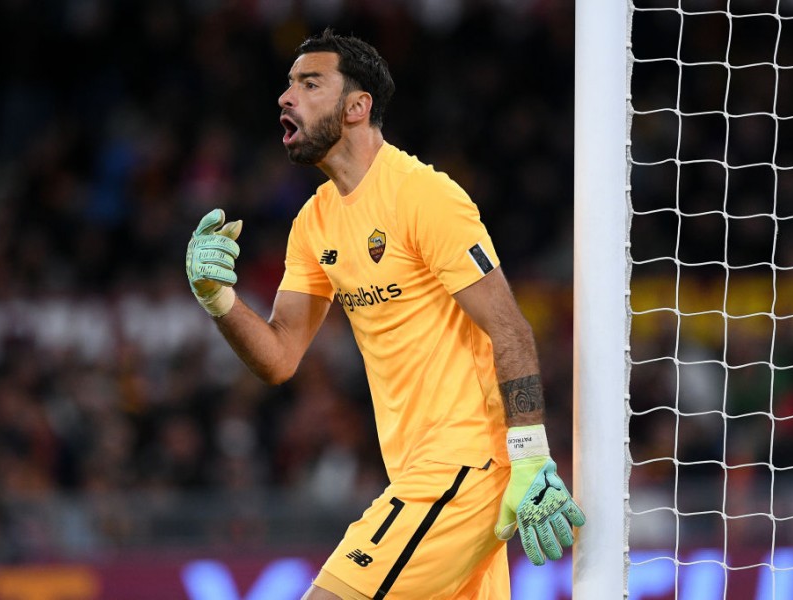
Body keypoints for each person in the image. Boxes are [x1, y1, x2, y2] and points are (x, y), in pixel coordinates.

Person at [185, 29, 585, 600]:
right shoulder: (315, 223)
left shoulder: (424, 195)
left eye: (309, 83)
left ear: (357, 106)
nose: (285, 96)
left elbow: (510, 328)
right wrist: (218, 299)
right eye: (288, 83)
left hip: (466, 464)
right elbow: (279, 357)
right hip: (420, 469)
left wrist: (529, 455)